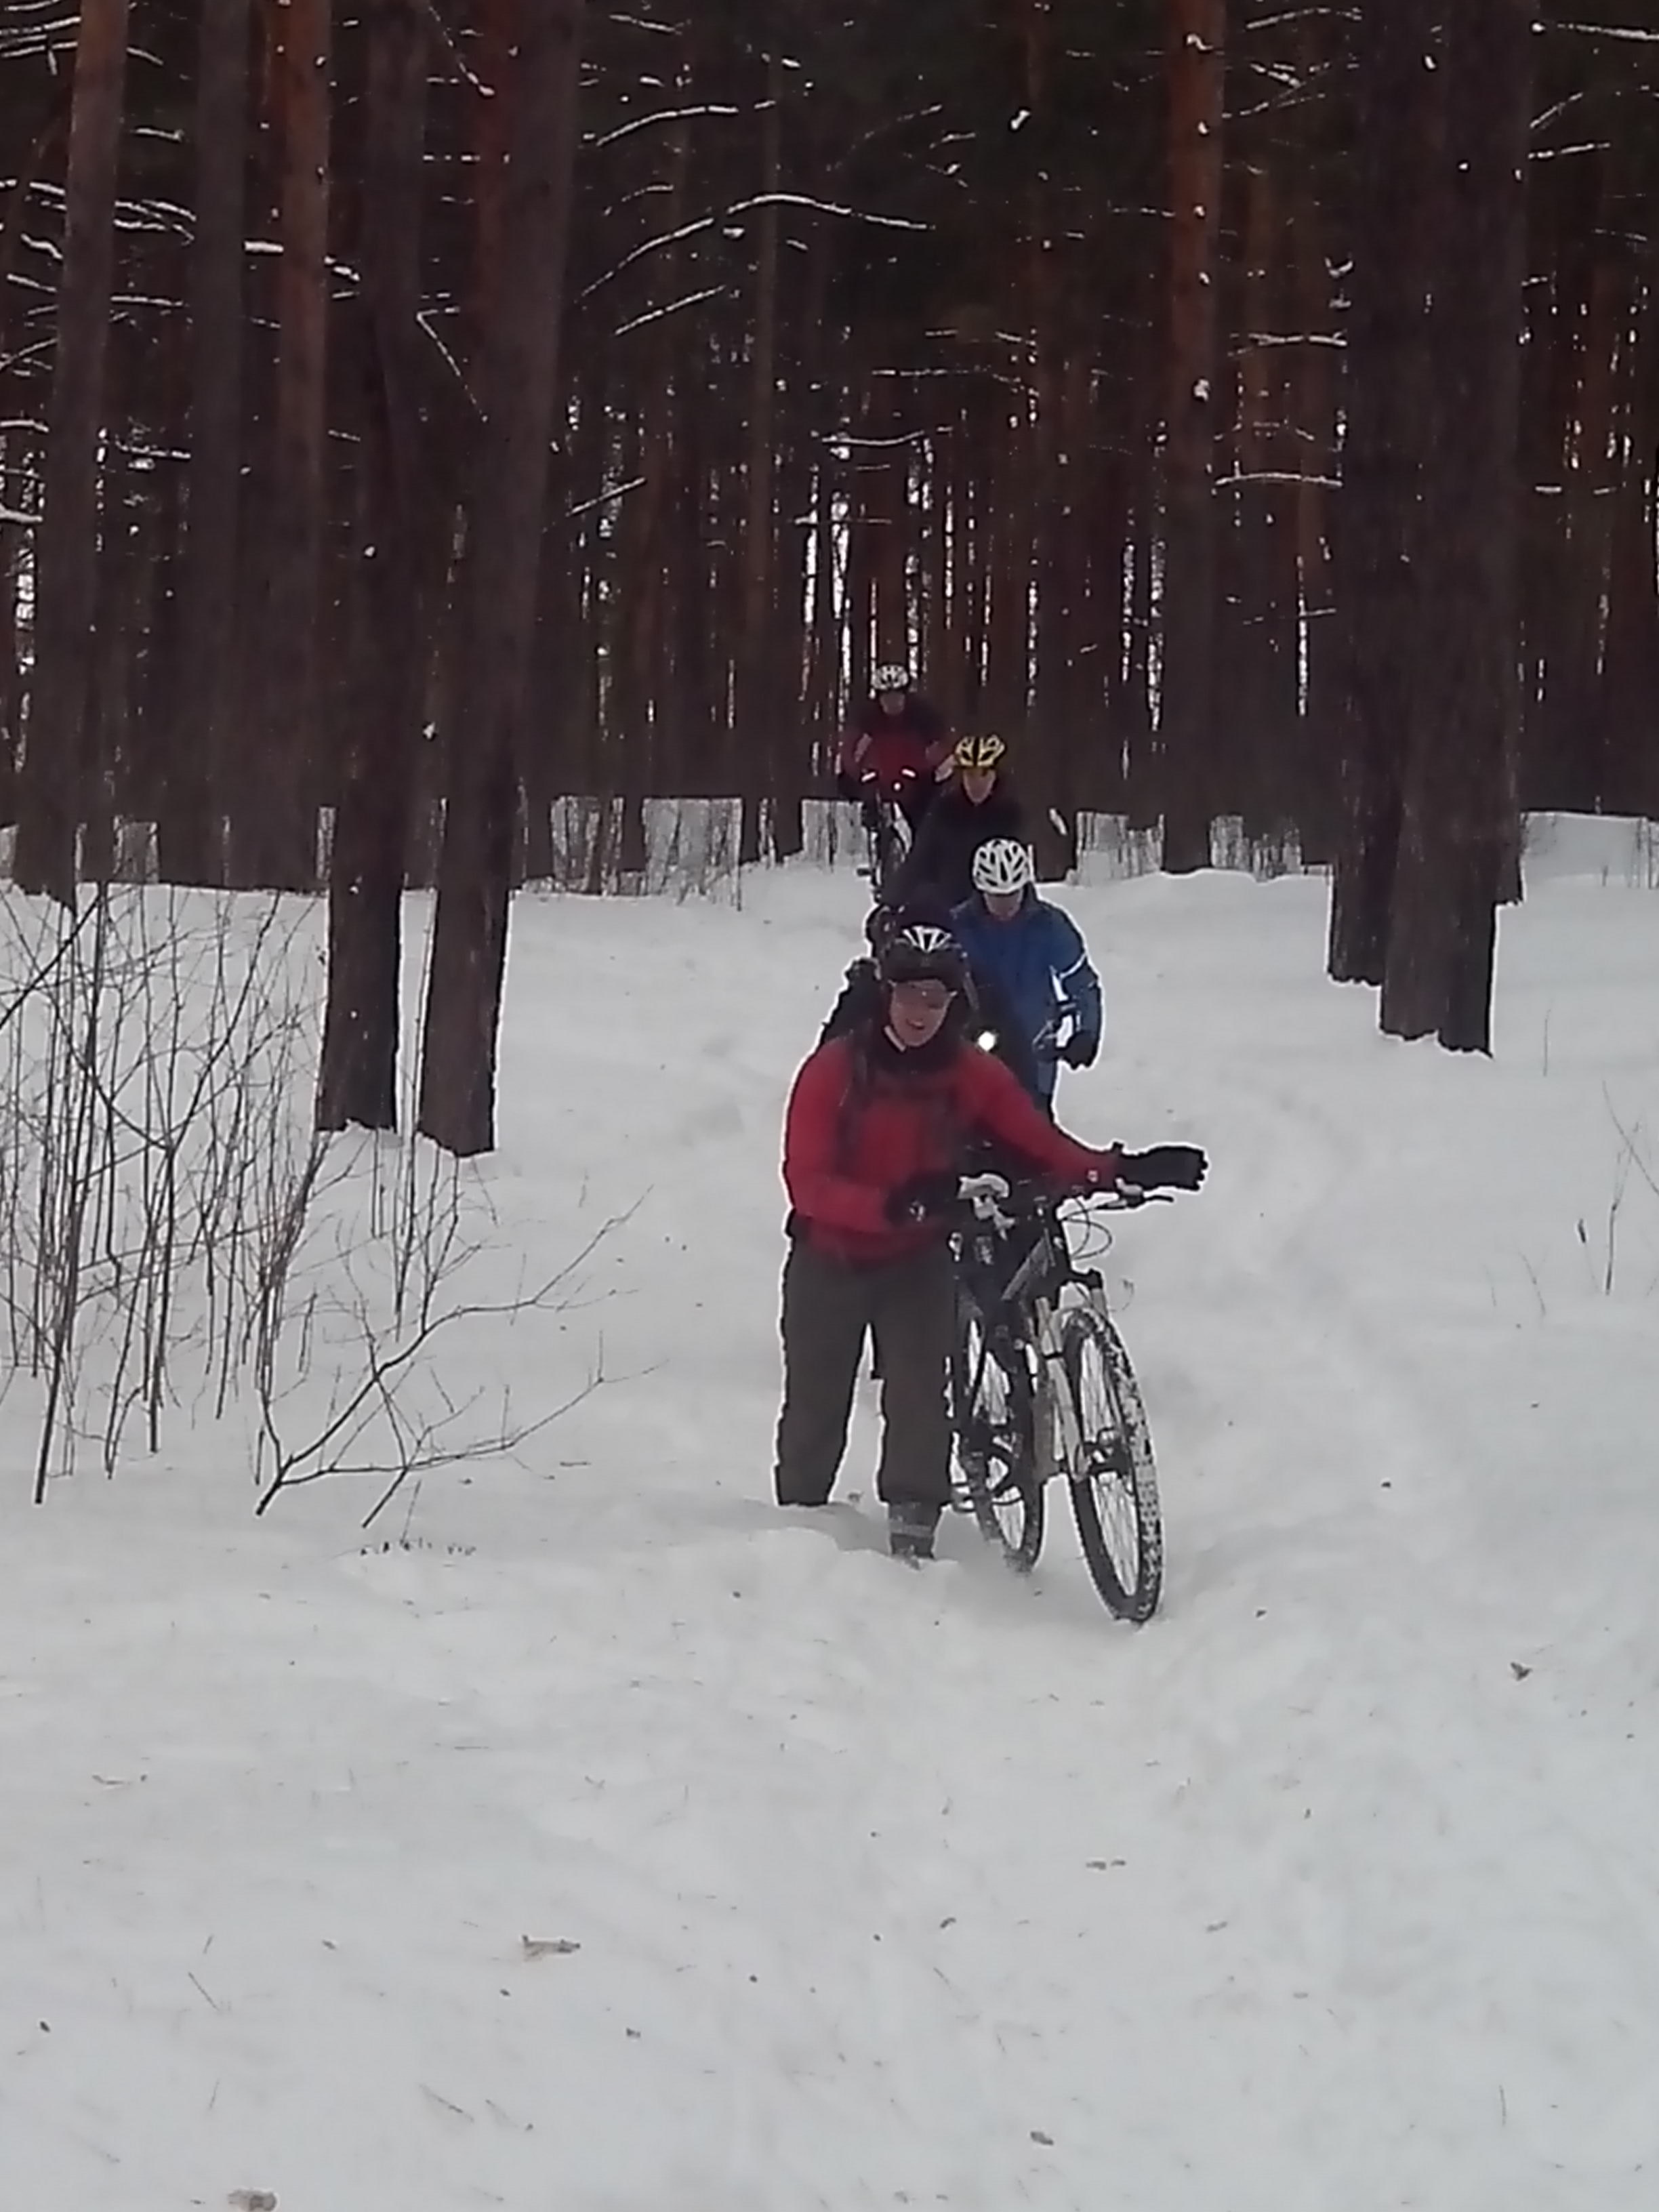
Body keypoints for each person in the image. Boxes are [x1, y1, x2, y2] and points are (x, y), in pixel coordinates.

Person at [775, 922, 1207, 1561]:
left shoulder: (969, 1072)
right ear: (886, 994)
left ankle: (913, 1538)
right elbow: (806, 1182)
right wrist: (892, 1205)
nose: (921, 1012)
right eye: (909, 995)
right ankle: (794, 1539)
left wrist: (1120, 1168)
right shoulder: (834, 1070)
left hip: (916, 1258)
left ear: (955, 1002)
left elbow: (1040, 1143)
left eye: (936, 998)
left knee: (921, 1397)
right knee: (816, 1405)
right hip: (829, 1259)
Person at [816, 896, 1043, 1100]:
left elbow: (1020, 1065)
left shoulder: (981, 992)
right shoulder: (868, 993)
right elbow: (826, 1068)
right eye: (909, 990)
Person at [950, 840, 1101, 1114]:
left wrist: (1086, 1034)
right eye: (996, 897)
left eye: (1012, 895)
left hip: (1035, 1048)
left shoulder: (1050, 925)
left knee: (1034, 1123)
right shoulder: (958, 927)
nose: (1005, 905)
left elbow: (1082, 984)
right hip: (976, 1047)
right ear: (981, 891)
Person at [884, 732, 1025, 914]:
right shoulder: (944, 810)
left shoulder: (1009, 814)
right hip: (949, 913)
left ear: (995, 775)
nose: (976, 783)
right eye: (970, 775)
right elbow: (918, 861)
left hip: (991, 917)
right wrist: (890, 904)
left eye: (983, 774)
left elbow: (1019, 876)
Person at [834, 664, 951, 840]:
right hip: (878, 782)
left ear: (905, 696)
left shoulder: (924, 716)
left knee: (924, 823)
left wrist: (933, 773)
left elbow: (941, 747)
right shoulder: (867, 718)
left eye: (897, 697)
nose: (892, 703)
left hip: (916, 783)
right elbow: (850, 749)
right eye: (886, 698)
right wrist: (851, 775)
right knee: (871, 808)